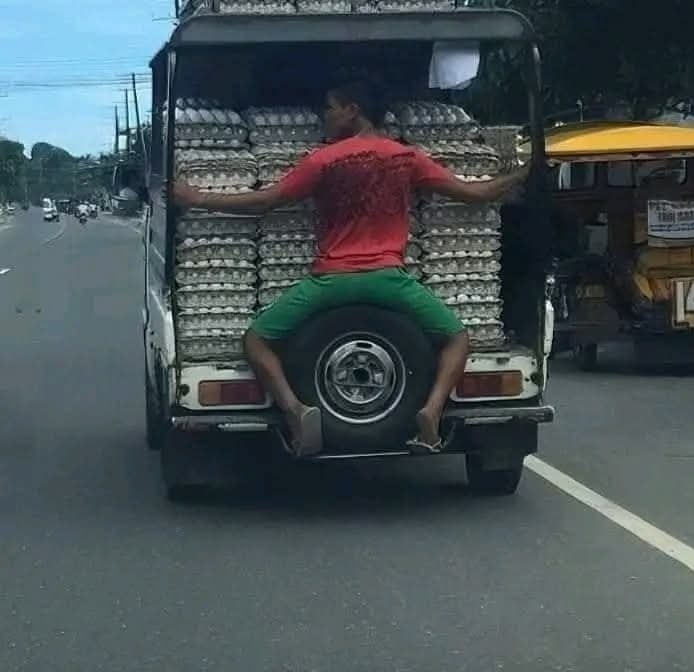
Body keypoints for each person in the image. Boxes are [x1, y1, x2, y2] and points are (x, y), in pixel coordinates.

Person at [173, 79, 529, 456]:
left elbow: (267, 201)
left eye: (330, 107)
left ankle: (296, 411)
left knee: (257, 339)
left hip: (331, 280)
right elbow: (475, 193)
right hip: (389, 280)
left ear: (352, 110)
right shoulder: (405, 158)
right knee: (457, 337)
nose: (325, 116)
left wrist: (199, 197)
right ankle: (431, 412)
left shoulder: (322, 161)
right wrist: (523, 173)